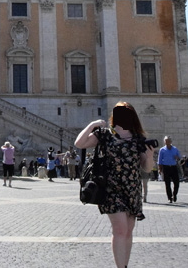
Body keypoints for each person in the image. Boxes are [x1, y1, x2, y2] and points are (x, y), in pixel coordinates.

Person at [75, 102, 153, 268]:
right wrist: (92, 125)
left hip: (132, 188)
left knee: (128, 231)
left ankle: (124, 265)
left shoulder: (138, 138)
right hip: (110, 188)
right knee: (120, 230)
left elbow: (146, 167)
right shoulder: (104, 134)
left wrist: (151, 156)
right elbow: (79, 144)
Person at [157, 136, 181, 203]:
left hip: (173, 167)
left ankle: (174, 194)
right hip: (166, 167)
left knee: (176, 183)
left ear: (171, 141)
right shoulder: (162, 150)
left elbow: (179, 157)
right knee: (167, 183)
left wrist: (177, 157)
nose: (166, 142)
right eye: (165, 141)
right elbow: (159, 160)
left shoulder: (175, 149)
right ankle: (169, 197)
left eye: (168, 141)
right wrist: (159, 169)